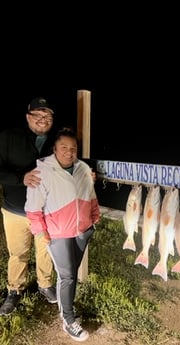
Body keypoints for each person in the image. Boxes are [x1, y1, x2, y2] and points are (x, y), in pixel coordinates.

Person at [25, 127, 100, 342]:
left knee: (71, 274)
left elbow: (90, 194)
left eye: (73, 148)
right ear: (54, 148)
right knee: (66, 276)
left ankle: (69, 306)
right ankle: (68, 320)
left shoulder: (83, 168)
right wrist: (41, 233)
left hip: (82, 231)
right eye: (64, 147)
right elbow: (33, 208)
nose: (69, 152)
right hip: (58, 233)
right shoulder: (42, 172)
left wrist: (94, 217)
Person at [0, 97, 58, 315]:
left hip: (46, 212)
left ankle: (45, 284)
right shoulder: (8, 138)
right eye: (38, 115)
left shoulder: (57, 140)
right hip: (15, 209)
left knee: (46, 251)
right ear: (28, 117)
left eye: (48, 116)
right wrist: (20, 179)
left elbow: (71, 163)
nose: (43, 120)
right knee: (18, 253)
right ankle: (14, 290)